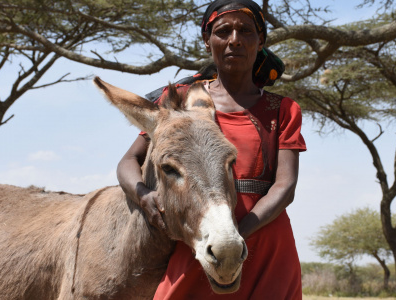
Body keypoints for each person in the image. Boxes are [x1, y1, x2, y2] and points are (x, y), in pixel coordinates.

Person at [117, 0, 306, 298]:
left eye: (245, 31)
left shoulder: (282, 109)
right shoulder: (177, 99)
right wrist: (144, 197)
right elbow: (129, 160)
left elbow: (285, 185)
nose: (234, 40)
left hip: (263, 241)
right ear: (207, 41)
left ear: (261, 41)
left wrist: (231, 238)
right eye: (223, 31)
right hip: (198, 241)